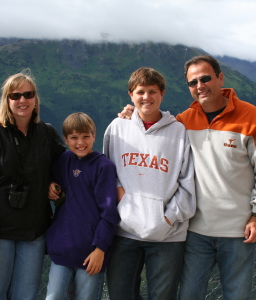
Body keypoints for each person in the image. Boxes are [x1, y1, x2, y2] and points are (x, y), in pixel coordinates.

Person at [118, 55, 256, 300]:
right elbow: (155, 127)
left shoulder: (250, 117)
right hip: (195, 232)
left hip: (238, 231)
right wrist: (134, 115)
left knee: (237, 295)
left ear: (220, 78)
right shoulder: (184, 122)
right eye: (193, 83)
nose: (200, 86)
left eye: (205, 79)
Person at [0, 70, 66, 300]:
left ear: (35, 99)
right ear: (6, 100)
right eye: (15, 95)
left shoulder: (46, 133)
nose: (22, 100)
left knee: (26, 295)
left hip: (33, 231)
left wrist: (55, 182)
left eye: (28, 94)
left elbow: (65, 165)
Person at [103, 67, 196, 300]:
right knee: (121, 295)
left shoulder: (178, 132)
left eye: (152, 91)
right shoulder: (117, 128)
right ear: (130, 95)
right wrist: (121, 199)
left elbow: (187, 182)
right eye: (140, 92)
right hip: (124, 231)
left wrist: (168, 217)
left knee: (162, 297)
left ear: (162, 94)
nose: (147, 97)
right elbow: (106, 172)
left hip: (168, 235)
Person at [45, 112, 120, 300]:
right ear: (65, 139)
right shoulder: (62, 161)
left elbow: (109, 211)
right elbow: (43, 173)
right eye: (74, 137)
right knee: (54, 296)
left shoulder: (104, 167)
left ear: (94, 136)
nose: (81, 142)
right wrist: (49, 182)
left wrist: (100, 249)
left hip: (91, 252)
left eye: (86, 136)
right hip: (62, 246)